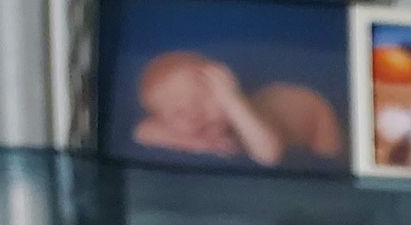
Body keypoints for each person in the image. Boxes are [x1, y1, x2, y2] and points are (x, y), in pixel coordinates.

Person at [133, 50, 339, 165]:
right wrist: (194, 144)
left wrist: (231, 100)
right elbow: (143, 133)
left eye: (199, 100)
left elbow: (269, 155)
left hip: (311, 111)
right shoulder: (194, 130)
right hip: (277, 98)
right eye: (178, 113)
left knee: (330, 161)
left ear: (225, 87)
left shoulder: (247, 117)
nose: (194, 115)